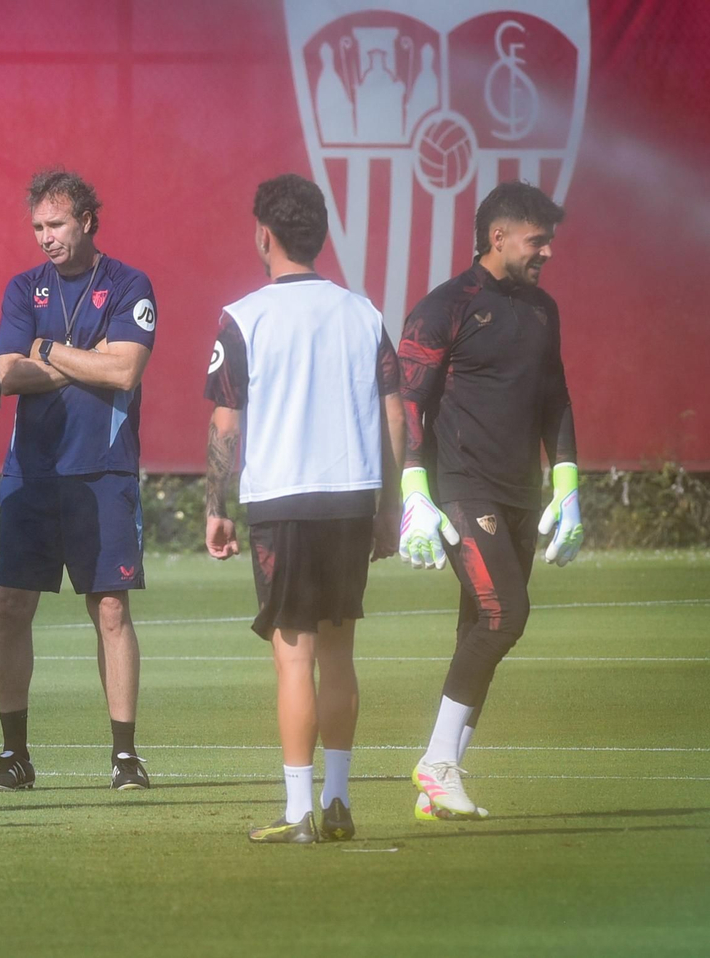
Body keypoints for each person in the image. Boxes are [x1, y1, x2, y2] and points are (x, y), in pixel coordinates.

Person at [203, 175, 402, 843]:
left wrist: (215, 503)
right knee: (340, 653)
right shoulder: (364, 313)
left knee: (294, 657)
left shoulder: (244, 315)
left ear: (265, 234)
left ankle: (298, 813)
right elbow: (393, 412)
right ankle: (340, 802)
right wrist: (390, 502)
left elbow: (226, 418)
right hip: (350, 498)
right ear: (321, 234)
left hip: (282, 502)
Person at [399, 181, 582, 821]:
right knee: (506, 615)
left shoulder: (542, 310)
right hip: (460, 489)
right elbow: (409, 403)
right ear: (498, 237)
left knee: (480, 628)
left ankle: (439, 787)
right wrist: (413, 491)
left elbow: (554, 398)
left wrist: (567, 484)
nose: (548, 252)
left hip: (519, 497)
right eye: (539, 240)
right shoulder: (444, 307)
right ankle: (438, 763)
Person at [0, 170, 157, 791]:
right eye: (37, 227)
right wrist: (85, 357)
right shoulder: (21, 287)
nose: (45, 238)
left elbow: (126, 372)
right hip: (31, 474)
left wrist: (49, 352)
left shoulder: (128, 283)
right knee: (9, 607)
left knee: (109, 609)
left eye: (55, 225)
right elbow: (5, 373)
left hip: (103, 472)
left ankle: (124, 756)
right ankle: (14, 755)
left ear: (87, 220)